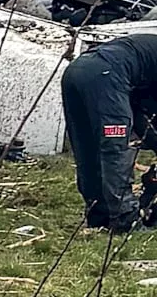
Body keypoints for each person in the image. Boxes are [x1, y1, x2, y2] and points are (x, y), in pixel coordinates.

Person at [60, 33, 157, 233]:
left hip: (77, 70)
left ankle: (99, 215)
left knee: (87, 147)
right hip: (108, 74)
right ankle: (126, 219)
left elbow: (141, 110)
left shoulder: (147, 56)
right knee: (115, 148)